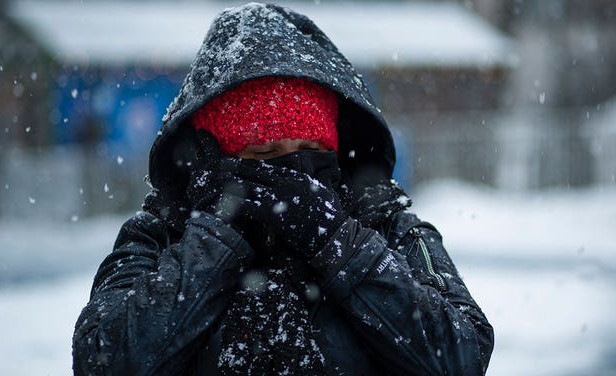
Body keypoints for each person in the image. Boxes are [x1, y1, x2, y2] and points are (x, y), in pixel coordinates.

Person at [72, 3, 494, 375]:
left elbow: (462, 356)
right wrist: (217, 237)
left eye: (312, 149)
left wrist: (336, 240)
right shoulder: (160, 235)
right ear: (215, 157)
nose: (295, 170)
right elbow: (104, 361)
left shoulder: (386, 226)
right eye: (266, 150)